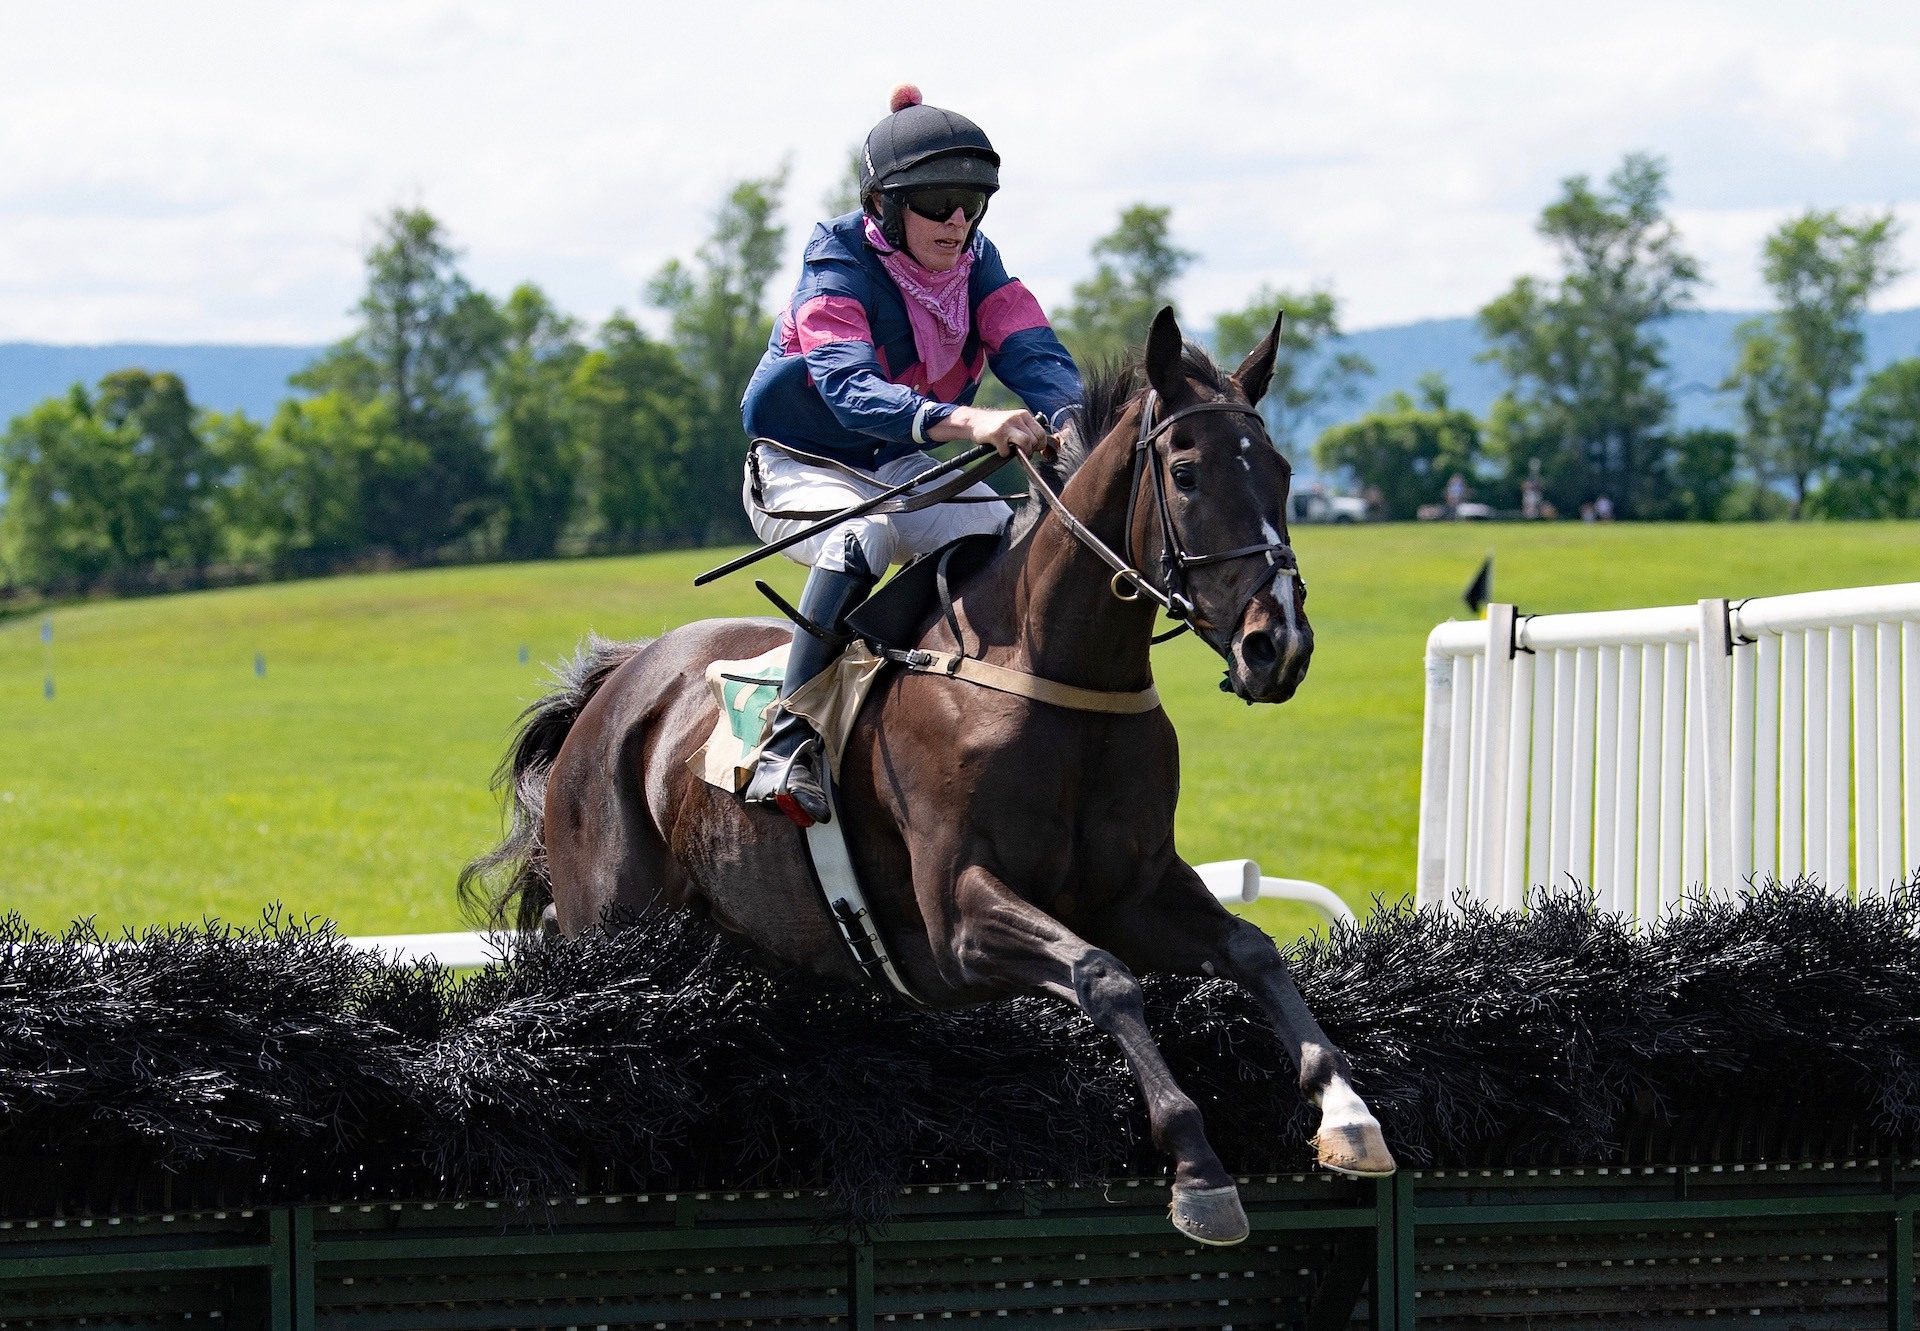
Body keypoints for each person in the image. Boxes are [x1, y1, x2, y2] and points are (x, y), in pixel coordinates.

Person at [735, 84, 1085, 826]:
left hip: (896, 459)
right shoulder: (836, 259)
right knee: (865, 537)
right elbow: (848, 389)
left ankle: (927, 690)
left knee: (1002, 534)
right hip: (801, 462)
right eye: (936, 200)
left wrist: (1080, 424)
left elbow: (1035, 355)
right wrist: (969, 420)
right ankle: (789, 739)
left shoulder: (978, 261)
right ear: (883, 206)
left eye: (972, 200)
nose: (957, 220)